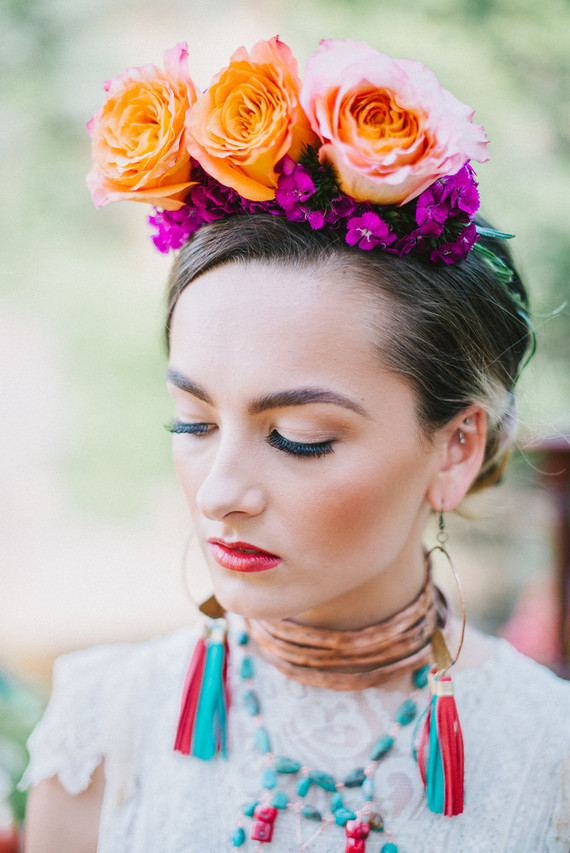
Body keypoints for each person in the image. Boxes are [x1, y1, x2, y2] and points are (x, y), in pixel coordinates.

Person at [21, 37, 570, 852]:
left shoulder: (550, 755)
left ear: (456, 449)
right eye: (193, 423)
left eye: (297, 437)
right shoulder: (102, 728)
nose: (218, 491)